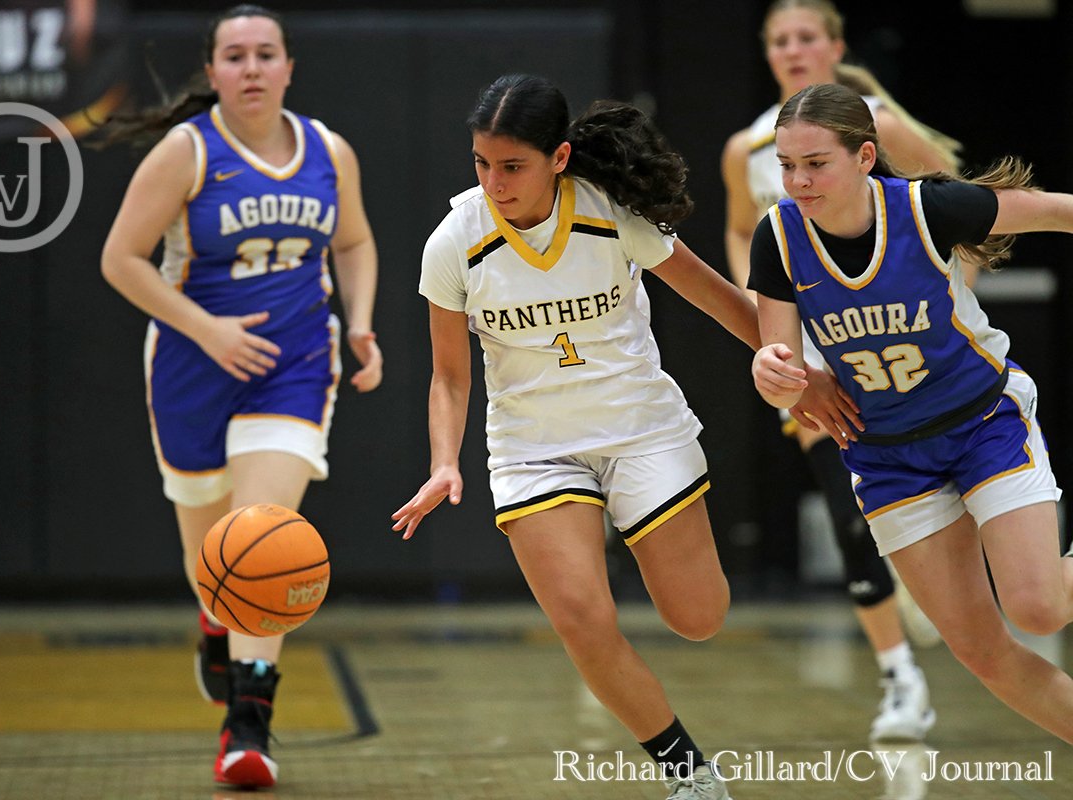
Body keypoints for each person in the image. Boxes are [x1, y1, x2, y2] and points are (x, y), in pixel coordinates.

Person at [391, 73, 855, 800]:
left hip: (641, 428)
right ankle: (689, 776)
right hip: (534, 449)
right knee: (582, 617)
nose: (494, 182)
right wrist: (443, 463)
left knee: (699, 618)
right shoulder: (454, 242)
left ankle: (646, 534)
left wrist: (802, 376)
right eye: (482, 164)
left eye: (511, 166)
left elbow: (723, 301)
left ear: (560, 157)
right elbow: (449, 378)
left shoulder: (613, 214)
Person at [99, 5, 382, 788]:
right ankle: (215, 621)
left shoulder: (330, 151)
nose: (251, 67)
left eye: (265, 53)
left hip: (293, 366)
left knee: (262, 536)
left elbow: (353, 242)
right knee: (207, 553)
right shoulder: (186, 153)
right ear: (213, 71)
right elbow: (121, 259)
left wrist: (358, 323)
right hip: (192, 369)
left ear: (288, 66)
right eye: (235, 55)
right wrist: (209, 331)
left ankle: (248, 725)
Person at [750, 81, 1073, 744]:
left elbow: (1055, 211)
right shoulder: (778, 237)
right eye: (787, 166)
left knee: (1038, 611)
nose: (799, 181)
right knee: (984, 654)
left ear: (865, 157)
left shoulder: (930, 209)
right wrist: (773, 376)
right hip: (887, 456)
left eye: (816, 164)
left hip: (983, 423)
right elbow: (780, 371)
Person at [721, 0, 960, 742]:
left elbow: (958, 198)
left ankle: (935, 582)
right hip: (815, 359)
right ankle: (901, 680)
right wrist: (770, 326)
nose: (793, 51)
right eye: (779, 41)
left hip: (902, 346)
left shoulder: (878, 127)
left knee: (935, 512)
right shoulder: (748, 149)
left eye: (806, 38)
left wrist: (951, 296)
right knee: (847, 514)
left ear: (835, 47)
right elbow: (740, 231)